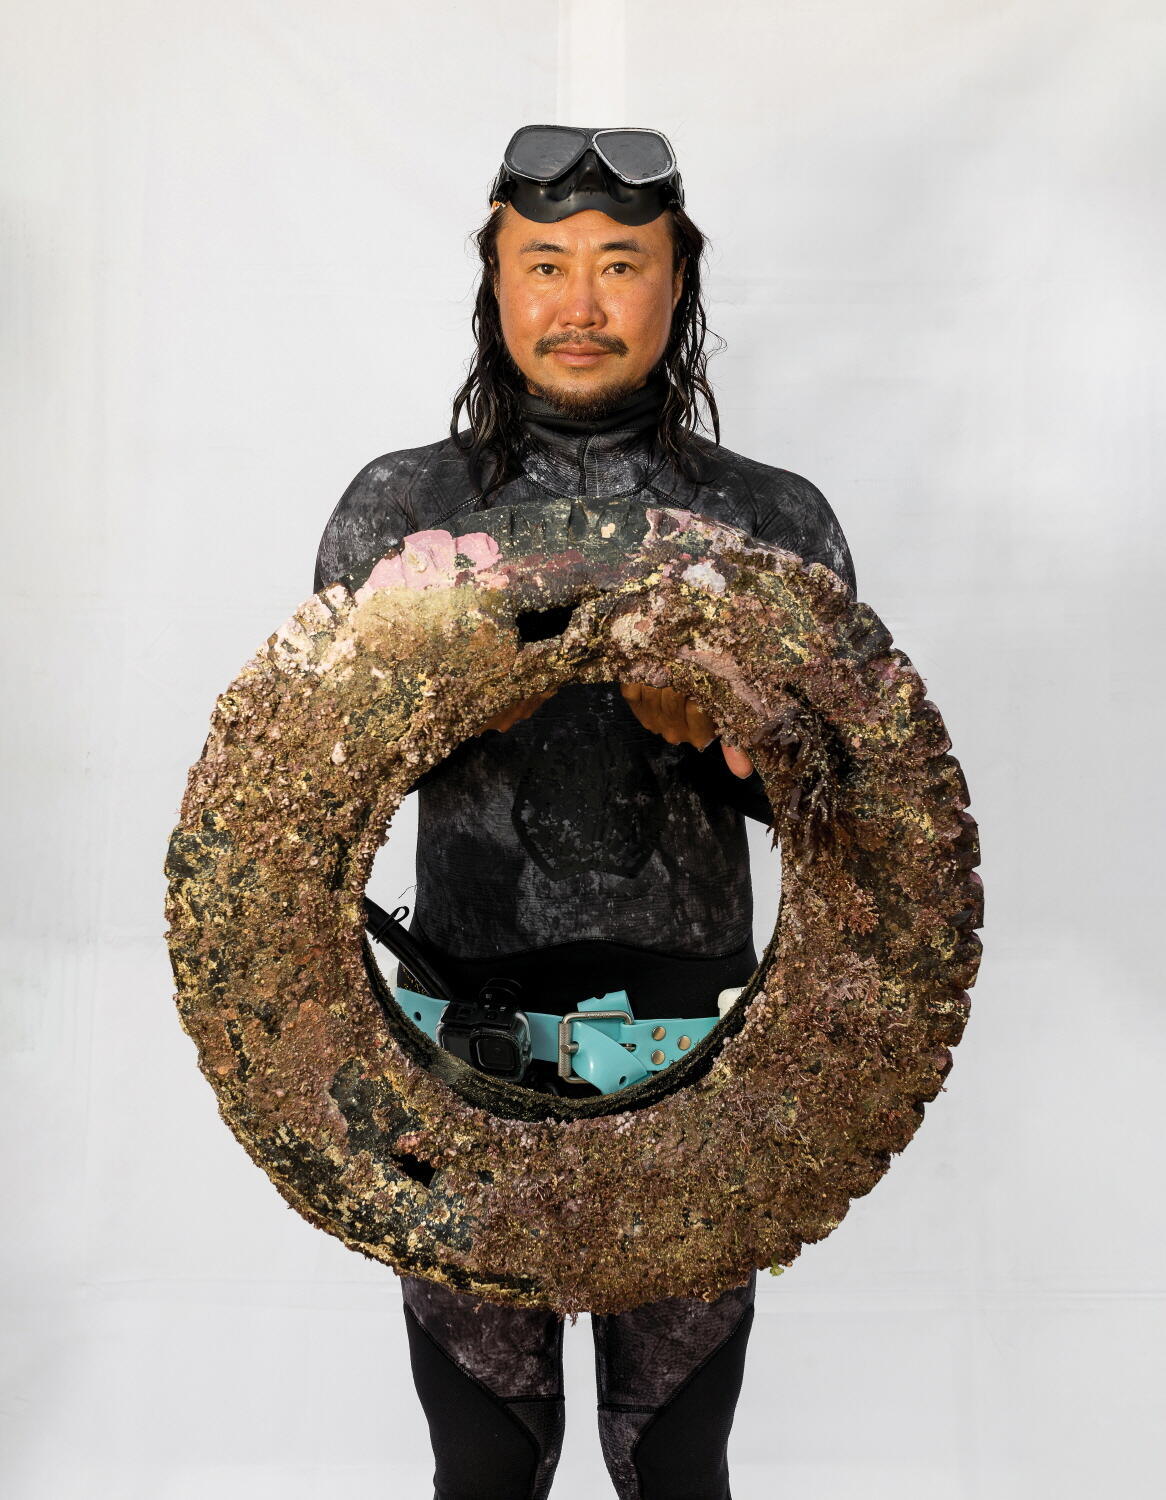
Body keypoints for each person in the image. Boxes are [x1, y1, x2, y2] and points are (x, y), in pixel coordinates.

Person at [314, 125, 855, 1500]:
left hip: (696, 1048)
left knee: (674, 1461)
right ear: (494, 282)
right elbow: (316, 792)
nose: (579, 301)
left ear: (679, 283)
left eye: (620, 263)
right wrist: (447, 694)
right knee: (484, 1464)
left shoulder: (768, 517)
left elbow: (852, 817)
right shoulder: (402, 506)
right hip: (459, 1045)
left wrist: (725, 740)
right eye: (544, 262)